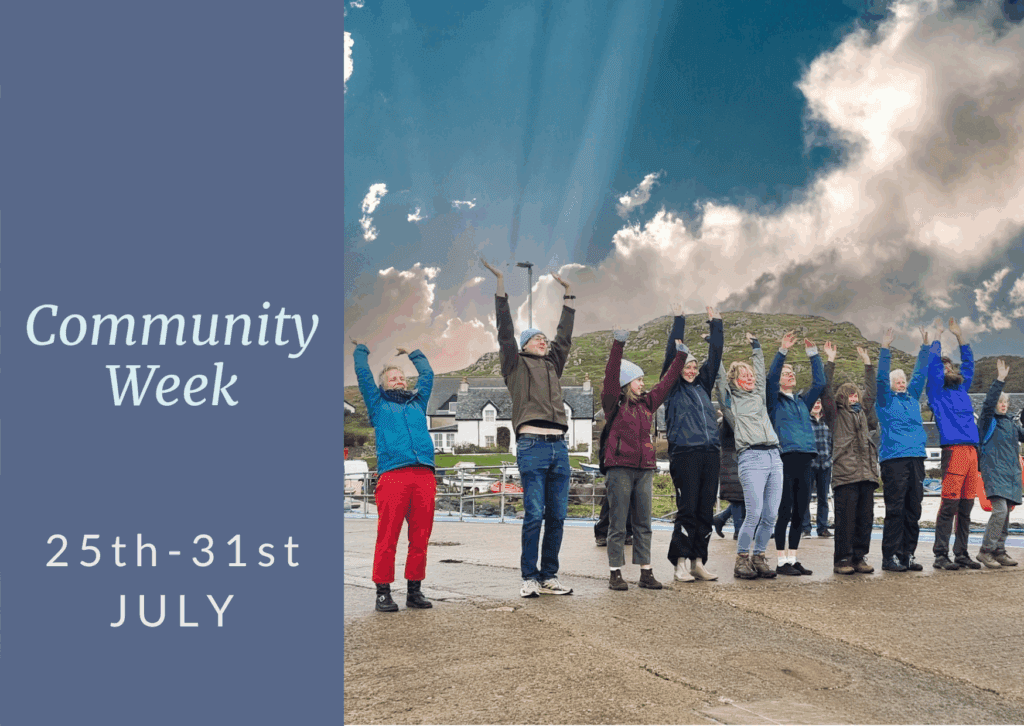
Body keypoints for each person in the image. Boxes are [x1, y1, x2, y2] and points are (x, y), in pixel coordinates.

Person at [483, 259, 576, 598]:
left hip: (559, 447)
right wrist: (500, 287)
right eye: (536, 338)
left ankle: (549, 575)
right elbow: (504, 332)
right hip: (532, 446)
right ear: (524, 345)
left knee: (558, 516)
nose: (543, 341)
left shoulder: (553, 365)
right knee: (534, 514)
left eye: (544, 338)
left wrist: (569, 296)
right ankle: (529, 577)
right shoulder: (515, 365)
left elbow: (564, 338)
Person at [352, 340, 437, 612]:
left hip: (424, 474)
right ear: (384, 385)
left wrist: (413, 354)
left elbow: (428, 375)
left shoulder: (417, 402)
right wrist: (361, 350)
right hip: (393, 476)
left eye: (401, 378)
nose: (399, 381)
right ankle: (383, 593)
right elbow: (364, 376)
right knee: (388, 536)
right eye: (393, 378)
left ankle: (414, 591)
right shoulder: (377, 404)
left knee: (420, 537)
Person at [602, 328, 689, 590]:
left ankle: (646, 572)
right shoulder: (613, 403)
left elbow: (666, 382)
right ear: (627, 382)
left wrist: (680, 357)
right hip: (619, 468)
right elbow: (611, 374)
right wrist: (618, 344)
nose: (643, 383)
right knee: (618, 523)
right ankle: (615, 572)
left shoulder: (648, 404)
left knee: (644, 523)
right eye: (638, 380)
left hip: (645, 469)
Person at [662, 305, 725, 582]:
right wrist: (679, 320)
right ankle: (679, 563)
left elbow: (716, 353)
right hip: (685, 454)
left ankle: (698, 561)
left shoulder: (702, 386)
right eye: (686, 366)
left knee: (705, 511)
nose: (691, 370)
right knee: (687, 510)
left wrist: (716, 324)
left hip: (710, 453)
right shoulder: (672, 387)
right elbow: (670, 357)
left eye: (694, 366)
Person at [715, 333, 783, 580]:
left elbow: (761, 374)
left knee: (771, 515)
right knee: (754, 512)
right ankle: (742, 558)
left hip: (774, 456)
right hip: (751, 457)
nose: (750, 377)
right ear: (735, 380)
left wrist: (756, 347)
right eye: (744, 375)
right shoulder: (730, 403)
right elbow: (719, 379)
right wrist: (715, 348)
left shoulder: (759, 396)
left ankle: (759, 556)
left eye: (751, 374)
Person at [766, 332, 827, 576]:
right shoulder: (773, 401)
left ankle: (793, 558)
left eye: (791, 373)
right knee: (785, 510)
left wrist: (813, 354)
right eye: (785, 373)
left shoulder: (803, 401)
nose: (790, 375)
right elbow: (771, 379)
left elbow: (820, 384)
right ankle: (781, 562)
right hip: (785, 458)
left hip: (806, 457)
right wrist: (783, 351)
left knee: (800, 512)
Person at [926, 317, 983, 570]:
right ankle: (940, 554)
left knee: (967, 505)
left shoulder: (961, 388)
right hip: (954, 450)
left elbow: (969, 365)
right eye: (943, 366)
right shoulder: (936, 392)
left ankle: (961, 553)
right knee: (949, 504)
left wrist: (960, 337)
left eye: (949, 365)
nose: (947, 368)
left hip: (972, 451)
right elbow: (932, 367)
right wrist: (938, 336)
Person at [820, 342, 879, 575]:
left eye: (855, 394)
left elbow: (871, 391)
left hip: (867, 473)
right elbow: (825, 389)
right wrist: (830, 360)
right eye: (849, 394)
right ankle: (842, 560)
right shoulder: (834, 415)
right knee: (845, 520)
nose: (854, 397)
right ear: (842, 398)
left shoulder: (863, 412)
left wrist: (867, 362)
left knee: (865, 519)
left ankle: (859, 557)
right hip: (845, 474)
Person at [875, 326, 930, 572]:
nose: (901, 383)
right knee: (895, 509)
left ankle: (908, 554)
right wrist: (885, 348)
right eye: (897, 381)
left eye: (903, 381)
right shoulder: (885, 401)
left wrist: (925, 347)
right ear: (891, 385)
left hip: (916, 457)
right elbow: (879, 379)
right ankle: (890, 557)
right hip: (894, 459)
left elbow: (920, 374)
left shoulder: (912, 398)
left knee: (913, 508)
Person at [975, 359, 1023, 569]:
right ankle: (985, 551)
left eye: (1006, 402)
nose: (1003, 404)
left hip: (1011, 474)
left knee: (1006, 513)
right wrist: (1000, 380)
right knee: (1000, 511)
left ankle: (999, 551)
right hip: (993, 471)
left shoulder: (1012, 424)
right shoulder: (987, 421)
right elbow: (987, 404)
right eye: (1000, 401)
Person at [800, 397, 833, 538]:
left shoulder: (828, 421)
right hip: (809, 464)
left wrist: (831, 458)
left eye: (819, 402)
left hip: (825, 464)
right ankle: (805, 528)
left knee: (823, 498)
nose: (817, 405)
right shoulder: (804, 421)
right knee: (805, 497)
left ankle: (823, 527)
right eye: (814, 402)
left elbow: (831, 441)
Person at [712, 413, 745, 541]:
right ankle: (738, 530)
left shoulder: (725, 424)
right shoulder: (727, 423)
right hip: (732, 463)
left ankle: (721, 518)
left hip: (733, 461)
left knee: (741, 498)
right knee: (737, 497)